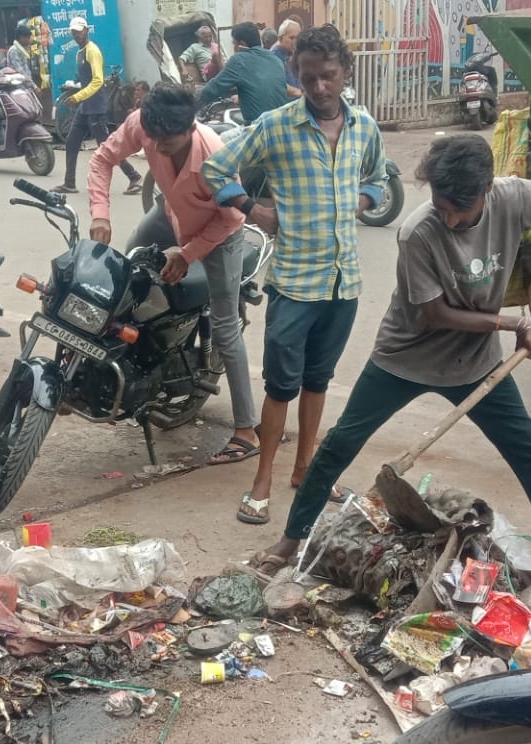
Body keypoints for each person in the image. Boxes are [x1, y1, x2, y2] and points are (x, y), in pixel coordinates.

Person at [248, 134, 531, 582]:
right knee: (339, 445)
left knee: (528, 451)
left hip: (474, 362)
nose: (447, 215)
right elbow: (435, 313)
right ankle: (291, 540)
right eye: (440, 204)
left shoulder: (511, 196)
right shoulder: (418, 232)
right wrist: (511, 324)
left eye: (457, 208)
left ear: (485, 190)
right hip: (404, 357)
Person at [202, 24, 388, 526]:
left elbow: (380, 179)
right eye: (308, 79)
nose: (320, 88)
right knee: (281, 386)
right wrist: (252, 210)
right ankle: (262, 478)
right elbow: (216, 169)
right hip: (294, 284)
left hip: (342, 284)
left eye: (327, 77)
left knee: (317, 380)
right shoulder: (278, 126)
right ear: (298, 76)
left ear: (344, 73)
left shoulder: (364, 128)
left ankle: (306, 470)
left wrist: (363, 199)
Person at [88, 85, 261, 467]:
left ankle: (247, 429)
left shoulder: (215, 153)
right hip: (171, 214)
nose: (157, 147)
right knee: (124, 280)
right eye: (153, 139)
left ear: (189, 127)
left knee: (225, 325)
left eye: (167, 141)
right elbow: (102, 159)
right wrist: (100, 212)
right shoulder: (143, 125)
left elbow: (232, 218)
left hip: (220, 237)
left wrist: (187, 254)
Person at [53, 17, 140, 195]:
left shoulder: (93, 51)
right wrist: (75, 85)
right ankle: (69, 182)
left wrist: (78, 96)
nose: (76, 35)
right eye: (74, 32)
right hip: (85, 107)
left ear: (87, 30)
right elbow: (84, 78)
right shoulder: (80, 52)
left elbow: (97, 81)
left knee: (107, 146)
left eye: (79, 31)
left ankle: (134, 176)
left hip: (95, 107)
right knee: (71, 142)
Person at [198, 22, 288, 124]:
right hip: (282, 125)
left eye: (234, 43)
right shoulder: (276, 60)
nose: (234, 47)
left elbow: (212, 89)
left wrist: (189, 104)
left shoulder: (239, 60)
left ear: (242, 44)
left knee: (223, 137)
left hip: (258, 129)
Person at [273, 19, 302, 98]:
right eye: (292, 38)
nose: (295, 41)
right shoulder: (274, 58)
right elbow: (275, 83)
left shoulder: (295, 55)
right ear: (280, 39)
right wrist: (298, 92)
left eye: (298, 38)